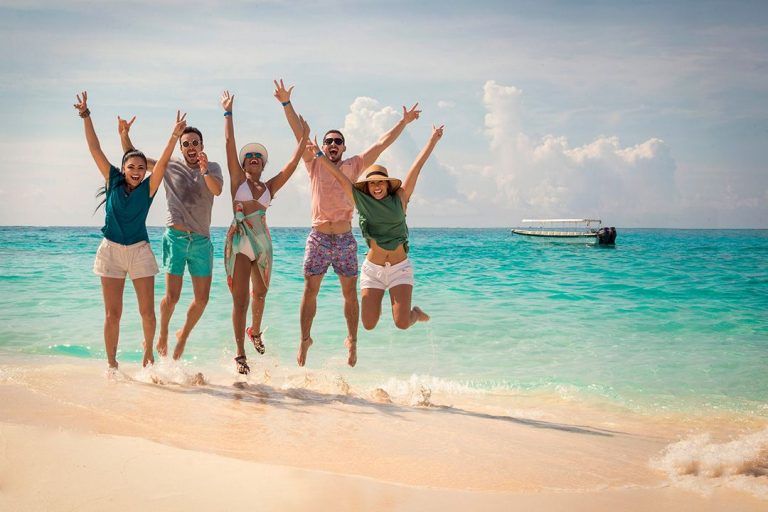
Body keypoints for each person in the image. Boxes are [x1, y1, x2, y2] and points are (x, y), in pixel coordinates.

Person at [274, 79, 420, 367]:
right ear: (323, 146)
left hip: (343, 237)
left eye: (337, 141)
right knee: (309, 290)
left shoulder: (355, 164)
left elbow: (382, 143)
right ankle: (305, 339)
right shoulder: (313, 161)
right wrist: (285, 103)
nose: (332, 145)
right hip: (317, 236)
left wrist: (403, 123)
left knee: (349, 293)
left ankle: (351, 341)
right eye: (328, 141)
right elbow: (297, 133)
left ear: (343, 146)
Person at [74, 91, 187, 369]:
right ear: (123, 168)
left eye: (140, 167)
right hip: (110, 251)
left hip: (139, 251)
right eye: (131, 166)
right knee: (113, 315)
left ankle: (148, 355)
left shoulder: (149, 187)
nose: (136, 170)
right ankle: (112, 365)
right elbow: (94, 148)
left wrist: (174, 136)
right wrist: (86, 116)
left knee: (147, 313)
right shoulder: (112, 179)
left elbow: (160, 165)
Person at [306, 124, 444, 332]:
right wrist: (318, 154)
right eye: (372, 184)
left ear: (388, 185)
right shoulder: (361, 202)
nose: (377, 186)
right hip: (373, 270)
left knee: (402, 323)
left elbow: (417, 166)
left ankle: (413, 312)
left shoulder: (401, 198)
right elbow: (339, 177)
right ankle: (382, 304)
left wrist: (433, 139)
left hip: (400, 268)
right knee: (368, 325)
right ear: (367, 188)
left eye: (381, 182)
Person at [119, 110, 224, 361]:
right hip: (175, 238)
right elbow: (135, 159)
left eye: (194, 143)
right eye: (185, 143)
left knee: (202, 299)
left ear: (202, 145)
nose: (190, 147)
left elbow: (217, 191)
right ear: (180, 146)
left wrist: (205, 170)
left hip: (201, 241)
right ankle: (163, 332)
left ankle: (183, 335)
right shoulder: (170, 165)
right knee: (173, 296)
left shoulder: (213, 167)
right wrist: (124, 134)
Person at [221, 90, 310, 375]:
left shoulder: (269, 188)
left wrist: (303, 139)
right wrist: (228, 113)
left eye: (259, 156)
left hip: (262, 243)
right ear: (244, 163)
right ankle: (239, 354)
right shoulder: (238, 181)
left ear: (263, 164)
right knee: (241, 300)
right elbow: (229, 144)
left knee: (261, 293)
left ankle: (255, 331)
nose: (254, 158)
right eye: (249, 156)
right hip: (240, 242)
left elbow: (292, 165)